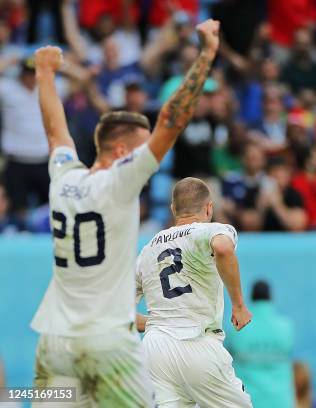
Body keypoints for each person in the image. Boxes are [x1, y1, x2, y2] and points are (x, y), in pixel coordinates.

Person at [29, 19, 220, 406]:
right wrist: (206, 55)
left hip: (55, 340)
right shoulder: (119, 182)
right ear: (120, 153)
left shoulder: (63, 176)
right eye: (139, 147)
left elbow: (54, 132)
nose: (145, 155)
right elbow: (172, 120)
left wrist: (45, 73)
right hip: (106, 343)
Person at [135, 177, 253, 407]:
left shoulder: (147, 250)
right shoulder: (210, 230)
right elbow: (223, 247)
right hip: (196, 342)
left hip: (155, 349)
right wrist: (238, 304)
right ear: (209, 208)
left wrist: (159, 323)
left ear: (173, 209)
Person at [226, 280, 295, 408]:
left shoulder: (238, 327)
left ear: (251, 298)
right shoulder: (286, 327)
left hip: (247, 400)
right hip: (280, 401)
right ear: (271, 298)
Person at [0, 57, 50, 220]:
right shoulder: (8, 88)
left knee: (53, 208)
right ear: (21, 73)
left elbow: (83, 79)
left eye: (34, 73)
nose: (30, 77)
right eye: (27, 73)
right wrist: (8, 62)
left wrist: (57, 66)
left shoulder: (48, 88)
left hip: (43, 160)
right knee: (17, 210)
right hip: (16, 160)